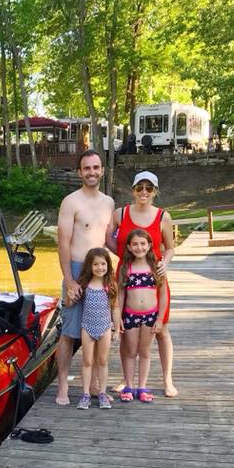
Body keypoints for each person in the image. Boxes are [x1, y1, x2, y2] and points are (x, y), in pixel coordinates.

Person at [108, 170, 177, 397]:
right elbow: (109, 237)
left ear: (155, 191)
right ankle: (126, 380)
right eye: (140, 188)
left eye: (149, 188)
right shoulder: (121, 213)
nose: (144, 192)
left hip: (154, 274)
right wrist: (124, 255)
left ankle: (167, 379)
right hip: (128, 273)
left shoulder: (162, 216)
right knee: (126, 330)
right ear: (133, 189)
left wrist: (164, 263)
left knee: (162, 330)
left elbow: (170, 247)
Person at [55, 149, 115, 406]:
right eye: (87, 168)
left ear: (102, 170)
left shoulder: (109, 202)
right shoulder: (71, 202)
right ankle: (62, 387)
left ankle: (91, 386)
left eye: (96, 167)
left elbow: (110, 240)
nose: (92, 172)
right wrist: (69, 280)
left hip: (99, 273)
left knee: (98, 328)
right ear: (80, 172)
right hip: (77, 270)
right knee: (69, 331)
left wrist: (142, 257)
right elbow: (63, 243)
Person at [116, 229, 169, 403]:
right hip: (130, 316)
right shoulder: (126, 268)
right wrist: (118, 317)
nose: (139, 247)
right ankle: (129, 386)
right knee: (130, 351)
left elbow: (163, 295)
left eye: (143, 244)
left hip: (150, 316)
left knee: (145, 351)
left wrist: (160, 319)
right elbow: (121, 295)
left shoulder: (157, 267)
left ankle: (142, 387)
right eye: (135, 244)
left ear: (149, 245)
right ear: (129, 247)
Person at [74, 247, 119, 410]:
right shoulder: (84, 284)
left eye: (103, 264)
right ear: (89, 266)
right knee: (87, 361)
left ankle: (102, 393)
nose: (100, 267)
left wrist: (117, 329)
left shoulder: (110, 285)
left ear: (108, 265)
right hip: (87, 327)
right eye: (95, 264)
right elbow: (71, 301)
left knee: (102, 361)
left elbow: (115, 308)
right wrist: (70, 295)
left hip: (105, 327)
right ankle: (85, 394)